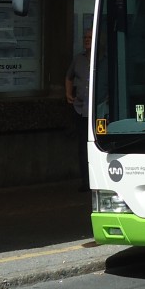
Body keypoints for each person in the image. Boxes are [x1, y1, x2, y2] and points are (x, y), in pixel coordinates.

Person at [65, 30, 91, 191]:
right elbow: (69, 77)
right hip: (81, 109)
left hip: (99, 111)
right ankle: (85, 181)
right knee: (83, 147)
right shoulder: (78, 59)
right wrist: (68, 94)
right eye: (85, 38)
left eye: (90, 38)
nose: (86, 41)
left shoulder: (105, 59)